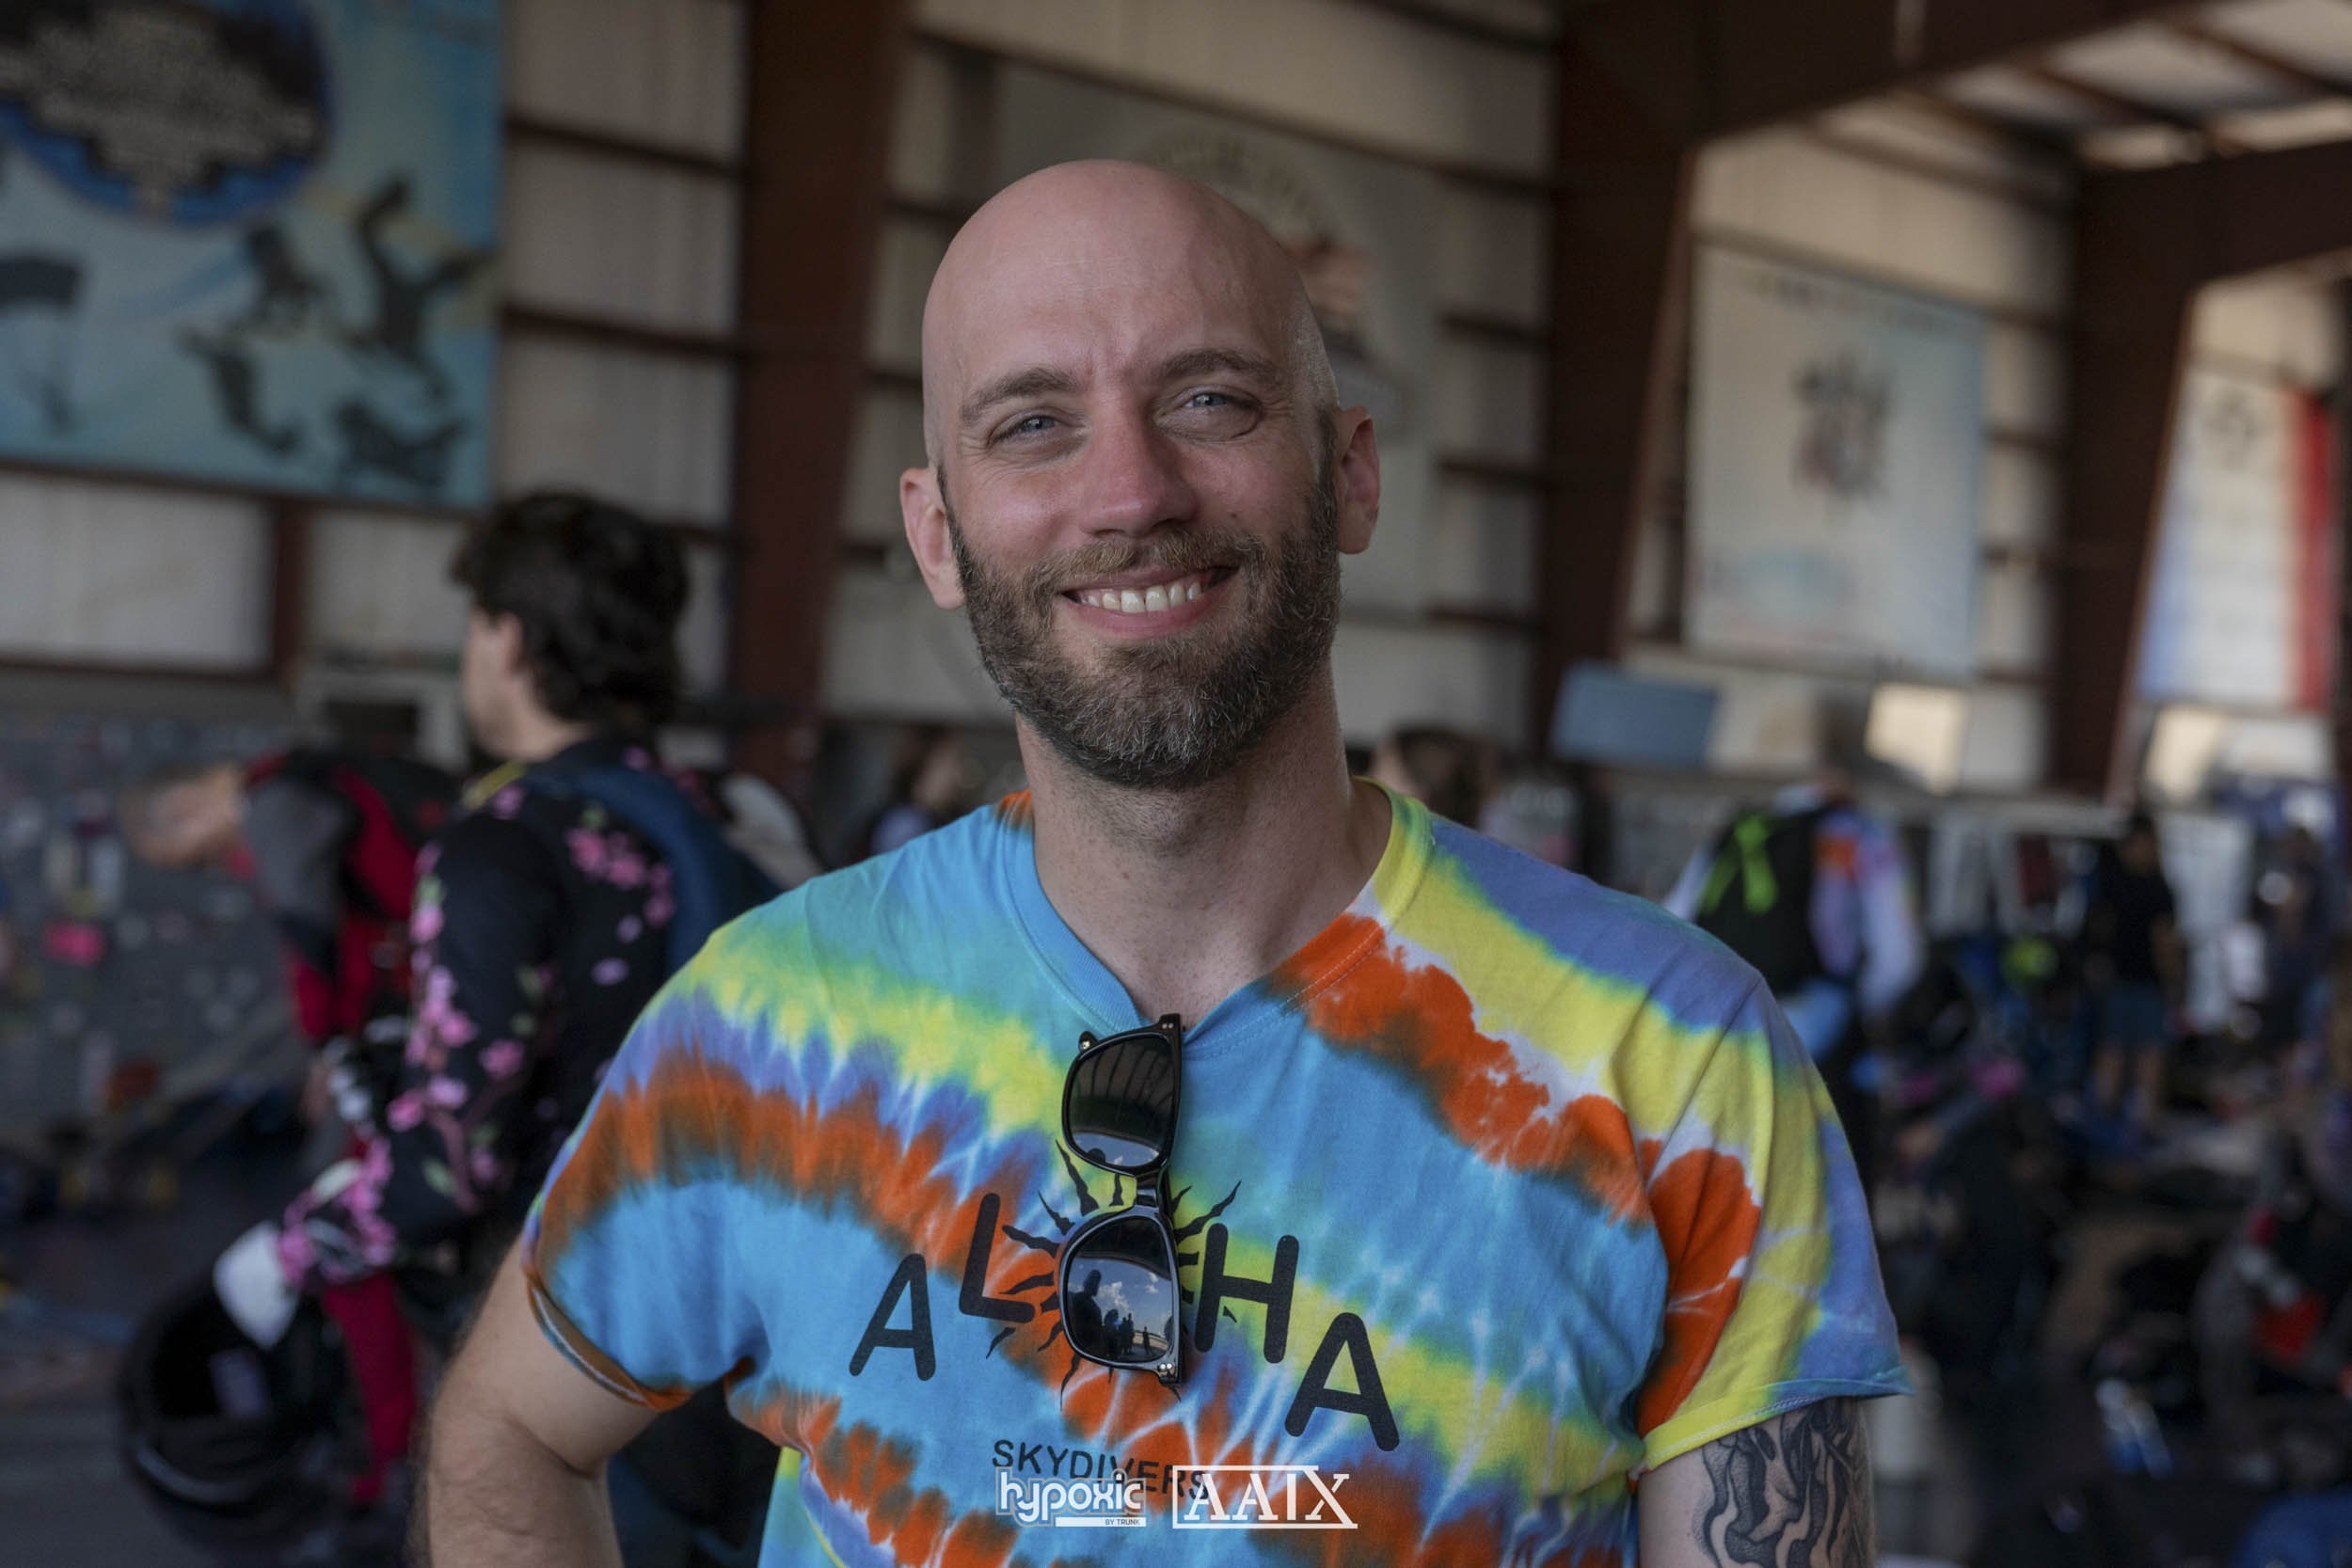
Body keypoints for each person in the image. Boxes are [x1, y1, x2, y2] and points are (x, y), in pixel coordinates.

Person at [425, 161, 1903, 1566]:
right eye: (1030, 424)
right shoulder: (770, 1025)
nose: (1131, 491)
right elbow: (509, 1429)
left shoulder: (1672, 1058)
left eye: (1208, 398)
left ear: (1349, 471)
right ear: (937, 535)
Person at [204, 492, 773, 1555]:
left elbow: (450, 1162)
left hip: (576, 1355)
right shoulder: (725, 819)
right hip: (753, 1327)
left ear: (508, 637)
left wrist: (288, 1251)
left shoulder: (505, 842)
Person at [120, 743, 455, 1510]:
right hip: (426, 1024)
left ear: (185, 809)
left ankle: (384, 1459)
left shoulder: (274, 810)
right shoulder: (313, 777)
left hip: (410, 1039)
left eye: (187, 857)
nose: (207, 869)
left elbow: (313, 939)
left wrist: (329, 1045)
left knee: (336, 1231)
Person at [1665, 765, 1924, 1187]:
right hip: (1819, 1032)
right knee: (1824, 1196)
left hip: (1723, 1032)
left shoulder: (1741, 831)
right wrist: (1859, 1007)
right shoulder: (1862, 834)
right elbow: (1902, 957)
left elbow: (1675, 921)